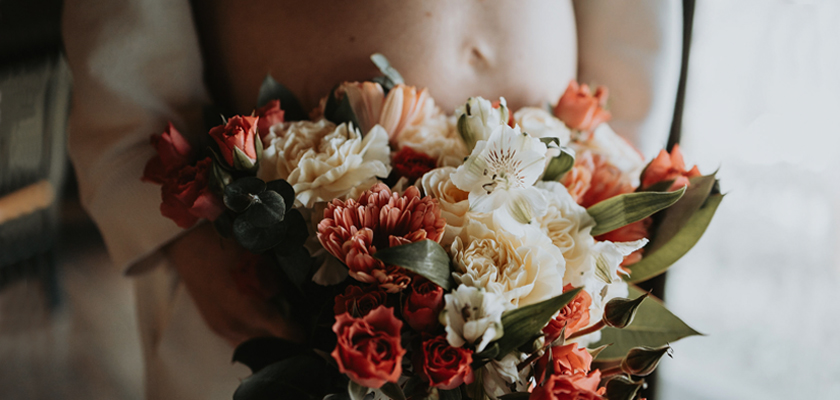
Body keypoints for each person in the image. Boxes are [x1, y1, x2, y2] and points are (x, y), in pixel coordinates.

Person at [62, 1, 681, 399]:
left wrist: (615, 164)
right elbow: (122, 33)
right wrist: (185, 236)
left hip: (541, 228)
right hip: (285, 253)